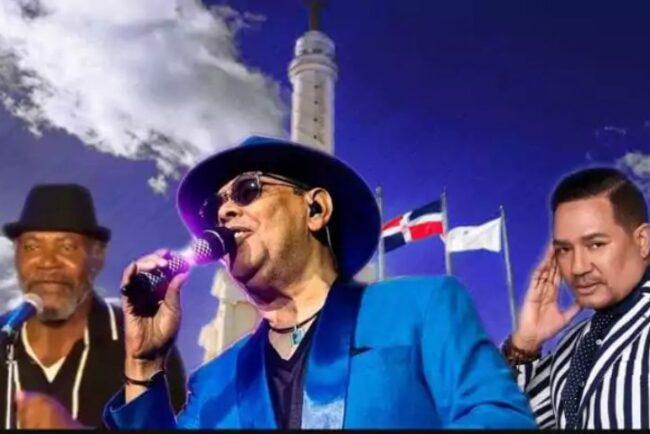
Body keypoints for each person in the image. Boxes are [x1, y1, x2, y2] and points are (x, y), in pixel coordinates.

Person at [104, 136, 536, 429]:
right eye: (214, 207)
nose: (224, 213)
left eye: (247, 190)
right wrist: (144, 364)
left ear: (315, 209)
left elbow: (501, 419)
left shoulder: (424, 307)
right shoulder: (213, 384)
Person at [0, 184, 187, 429]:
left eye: (67, 247)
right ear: (16, 255)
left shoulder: (145, 345)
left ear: (97, 255)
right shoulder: (3, 335)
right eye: (32, 247)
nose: (47, 262)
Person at [503, 167, 650, 429]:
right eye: (564, 250)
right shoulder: (573, 345)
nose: (578, 267)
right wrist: (524, 345)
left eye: (596, 244)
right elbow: (505, 419)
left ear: (643, 241)